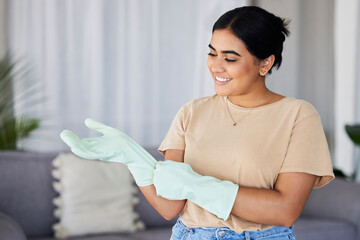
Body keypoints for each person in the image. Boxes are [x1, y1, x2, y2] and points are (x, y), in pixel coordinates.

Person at [60, 6, 335, 240]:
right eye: (212, 53)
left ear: (265, 63)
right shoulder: (192, 112)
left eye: (230, 58)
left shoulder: (298, 115)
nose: (216, 66)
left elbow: (285, 210)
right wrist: (134, 159)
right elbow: (170, 207)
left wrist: (196, 185)